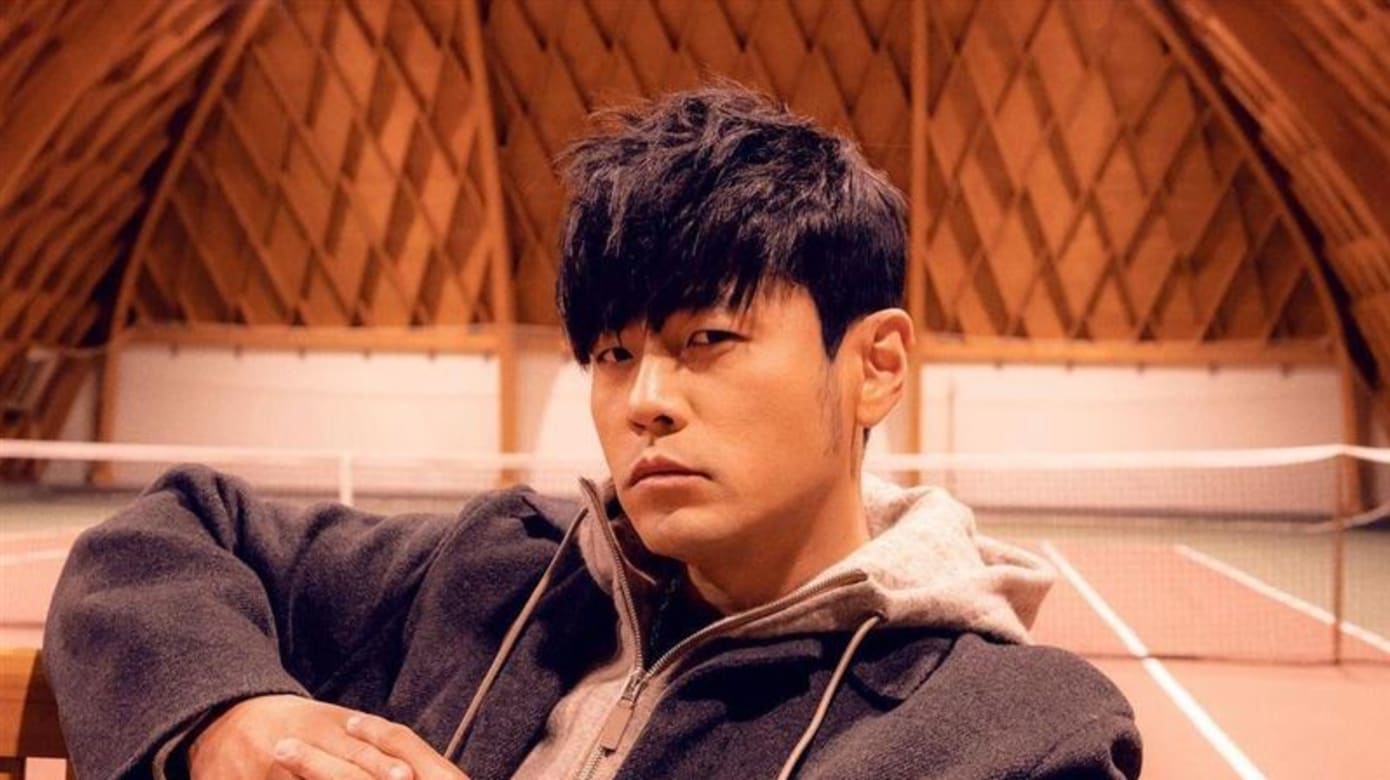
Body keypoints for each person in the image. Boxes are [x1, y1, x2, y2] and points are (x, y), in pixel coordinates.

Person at [44, 85, 1141, 780]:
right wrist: (233, 718)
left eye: (707, 338)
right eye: (613, 354)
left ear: (875, 366)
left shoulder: (1011, 732)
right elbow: (174, 534)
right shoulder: (497, 574)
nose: (644, 397)